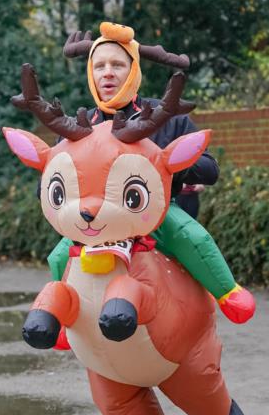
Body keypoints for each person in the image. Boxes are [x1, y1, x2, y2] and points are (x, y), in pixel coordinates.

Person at [47, 21, 256, 326]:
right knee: (57, 257)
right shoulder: (77, 127)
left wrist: (162, 164)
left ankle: (229, 294)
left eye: (118, 65)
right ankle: (63, 321)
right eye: (99, 66)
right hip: (93, 223)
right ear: (90, 73)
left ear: (134, 70)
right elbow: (49, 184)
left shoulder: (165, 116)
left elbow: (210, 169)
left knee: (193, 237)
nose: (107, 73)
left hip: (152, 218)